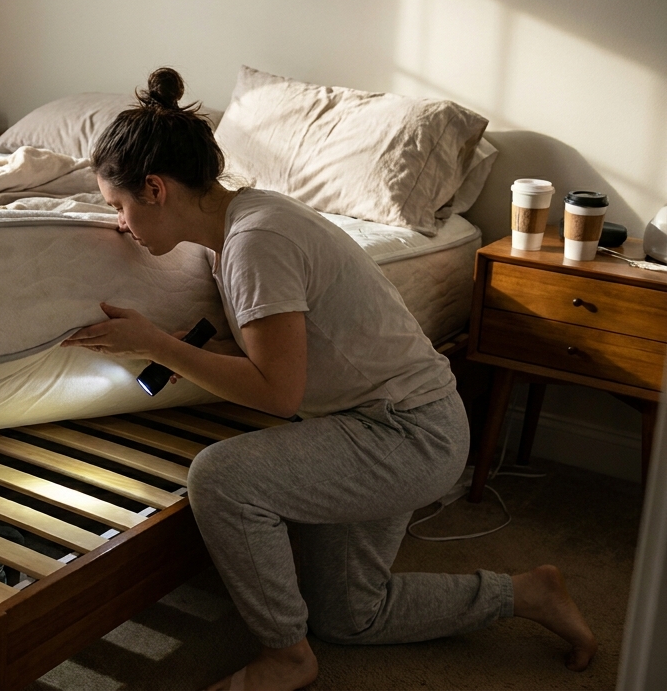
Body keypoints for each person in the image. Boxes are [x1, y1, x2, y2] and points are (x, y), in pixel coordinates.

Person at [61, 68, 597, 691]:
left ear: (154, 188)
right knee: (352, 616)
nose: (120, 225)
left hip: (407, 435)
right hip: (377, 422)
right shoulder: (238, 227)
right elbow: (267, 339)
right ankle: (529, 593)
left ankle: (286, 654)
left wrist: (155, 344)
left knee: (221, 479)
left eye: (117, 207)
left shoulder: (257, 240)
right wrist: (172, 349)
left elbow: (278, 392)